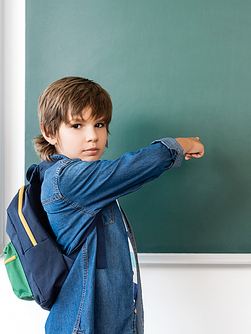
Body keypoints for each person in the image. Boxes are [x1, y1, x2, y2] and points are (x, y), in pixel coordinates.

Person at [33, 76, 204, 333]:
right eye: (77, 125)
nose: (92, 136)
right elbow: (133, 168)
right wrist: (181, 145)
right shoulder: (66, 179)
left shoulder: (80, 182)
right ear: (49, 132)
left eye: (99, 124)